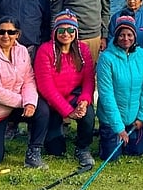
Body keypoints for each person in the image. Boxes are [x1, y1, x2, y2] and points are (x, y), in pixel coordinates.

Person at [0, 17, 50, 168]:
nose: (6, 36)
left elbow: (29, 78)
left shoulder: (22, 51)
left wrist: (30, 103)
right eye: (1, 32)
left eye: (11, 32)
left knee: (42, 109)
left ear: (17, 34)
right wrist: (24, 102)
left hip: (14, 106)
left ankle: (34, 152)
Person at [34, 14, 96, 169]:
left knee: (88, 114)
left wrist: (84, 100)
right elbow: (45, 86)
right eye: (61, 29)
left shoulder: (83, 50)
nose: (66, 34)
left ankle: (82, 147)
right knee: (55, 150)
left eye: (70, 29)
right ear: (55, 31)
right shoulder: (45, 50)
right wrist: (68, 111)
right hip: (52, 101)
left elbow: (89, 79)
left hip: (73, 95)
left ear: (75, 32)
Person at [96, 15, 143, 161]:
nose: (125, 38)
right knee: (111, 156)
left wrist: (142, 117)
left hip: (134, 119)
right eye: (121, 35)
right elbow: (106, 95)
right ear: (115, 36)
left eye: (129, 35)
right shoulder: (106, 58)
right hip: (113, 120)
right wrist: (118, 127)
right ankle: (107, 137)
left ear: (135, 36)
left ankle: (130, 136)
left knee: (137, 151)